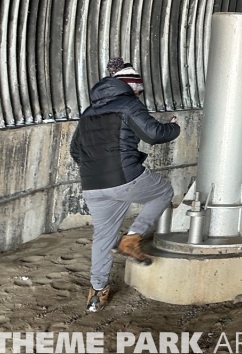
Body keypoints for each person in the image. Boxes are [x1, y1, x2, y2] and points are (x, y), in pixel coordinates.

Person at [70, 58, 181, 312]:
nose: (141, 93)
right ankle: (132, 239)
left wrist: (95, 168)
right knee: (163, 191)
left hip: (92, 185)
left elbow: (76, 150)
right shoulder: (129, 104)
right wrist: (173, 128)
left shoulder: (88, 112)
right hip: (124, 177)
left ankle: (96, 294)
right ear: (131, 87)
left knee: (102, 237)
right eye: (139, 89)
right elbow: (154, 134)